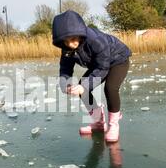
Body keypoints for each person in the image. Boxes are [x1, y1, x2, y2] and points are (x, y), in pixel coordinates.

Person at [52, 10, 131, 143]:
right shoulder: (67, 49)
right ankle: (98, 122)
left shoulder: (95, 40)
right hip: (99, 64)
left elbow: (103, 68)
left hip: (118, 60)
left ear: (79, 33)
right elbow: (65, 69)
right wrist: (66, 84)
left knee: (110, 88)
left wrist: (83, 86)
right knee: (83, 88)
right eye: (66, 42)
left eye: (72, 39)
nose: (70, 44)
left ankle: (113, 125)